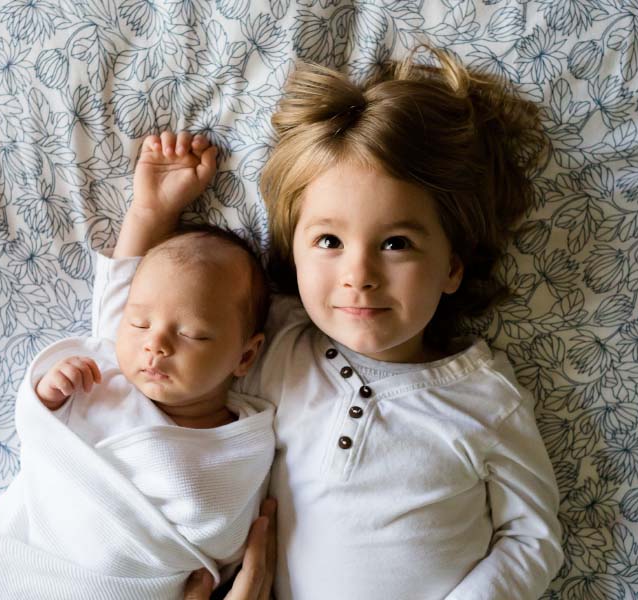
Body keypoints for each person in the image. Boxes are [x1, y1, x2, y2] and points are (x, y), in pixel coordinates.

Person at [157, 46, 563, 600]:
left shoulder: (485, 400)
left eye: (397, 244)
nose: (359, 275)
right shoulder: (270, 345)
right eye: (329, 241)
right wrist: (151, 216)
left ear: (451, 266)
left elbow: (533, 536)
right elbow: (152, 333)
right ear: (293, 253)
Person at [0, 135, 277, 600]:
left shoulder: (244, 442)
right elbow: (125, 279)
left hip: (120, 582)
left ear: (245, 356)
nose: (156, 344)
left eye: (191, 334)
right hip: (29, 558)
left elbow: (223, 535)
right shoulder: (108, 366)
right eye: (140, 322)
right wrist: (152, 209)